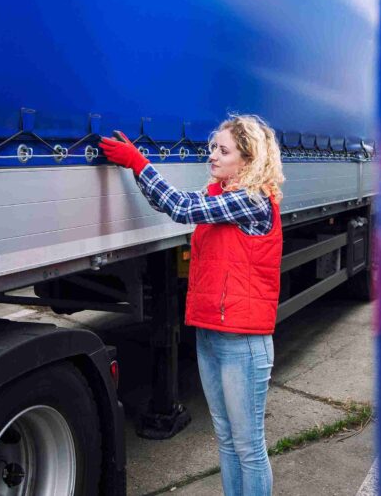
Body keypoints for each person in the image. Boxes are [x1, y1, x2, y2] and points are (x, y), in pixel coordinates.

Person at [99, 114, 285, 496]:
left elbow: (181, 207)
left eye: (223, 150)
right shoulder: (220, 196)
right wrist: (137, 170)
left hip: (243, 342)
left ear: (248, 161)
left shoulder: (252, 201)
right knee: (226, 439)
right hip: (211, 334)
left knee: (248, 446)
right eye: (212, 148)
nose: (212, 156)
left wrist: (138, 162)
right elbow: (178, 206)